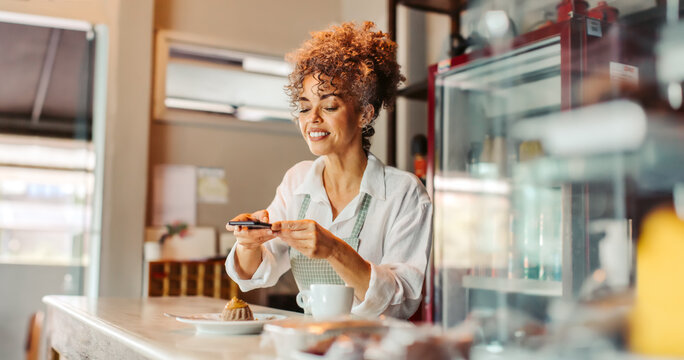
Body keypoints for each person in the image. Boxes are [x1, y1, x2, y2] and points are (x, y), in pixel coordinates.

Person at [225, 21, 432, 319]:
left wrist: (334, 250)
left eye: (330, 106)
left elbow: (401, 302)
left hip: (375, 348)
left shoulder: (405, 194)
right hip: (314, 343)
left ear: (365, 113)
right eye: (305, 107)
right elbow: (257, 273)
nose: (313, 119)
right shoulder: (297, 181)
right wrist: (249, 244)